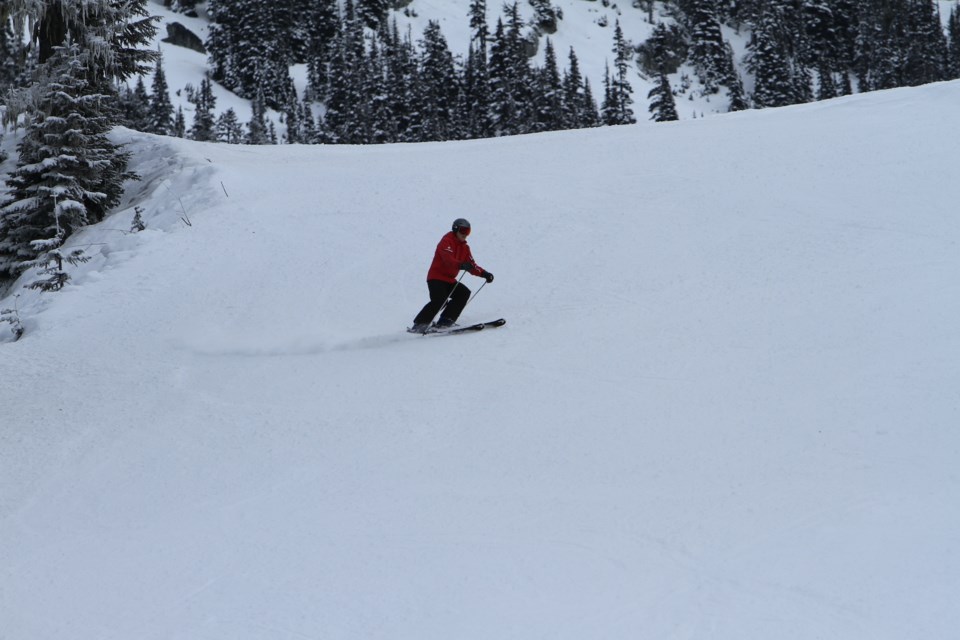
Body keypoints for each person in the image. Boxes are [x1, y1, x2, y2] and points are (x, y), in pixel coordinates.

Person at [410, 218, 494, 333]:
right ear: (455, 229)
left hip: (450, 280)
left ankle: (446, 321)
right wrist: (461, 265)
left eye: (468, 231)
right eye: (463, 230)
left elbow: (472, 265)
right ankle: (419, 324)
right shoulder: (446, 241)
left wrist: (484, 274)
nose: (465, 234)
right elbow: (448, 260)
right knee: (440, 300)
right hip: (436, 278)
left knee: (463, 293)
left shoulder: (465, 247)